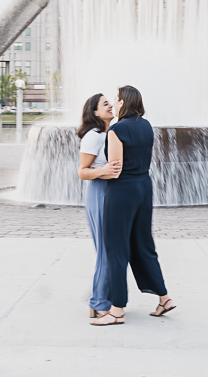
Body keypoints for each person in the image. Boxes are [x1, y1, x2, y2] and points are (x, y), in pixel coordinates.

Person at [91, 85, 175, 326]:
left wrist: (94, 173)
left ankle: (117, 310)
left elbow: (115, 169)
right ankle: (164, 298)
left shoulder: (117, 129)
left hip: (122, 192)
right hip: (144, 188)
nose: (114, 104)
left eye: (116, 99)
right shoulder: (146, 125)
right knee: (144, 245)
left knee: (116, 249)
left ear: (124, 102)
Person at [77, 94, 121, 319]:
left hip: (109, 193)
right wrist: (102, 172)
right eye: (105, 104)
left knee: (110, 250)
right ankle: (99, 302)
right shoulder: (93, 136)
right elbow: (82, 171)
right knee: (106, 251)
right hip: (99, 193)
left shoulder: (106, 134)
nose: (111, 105)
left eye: (110, 102)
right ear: (94, 112)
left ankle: (104, 299)